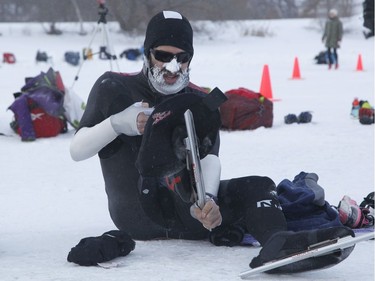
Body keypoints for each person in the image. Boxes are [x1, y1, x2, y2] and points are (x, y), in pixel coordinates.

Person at [68, 10, 353, 271]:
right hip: (136, 217)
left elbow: (209, 159)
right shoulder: (113, 87)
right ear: (147, 53)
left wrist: (208, 201)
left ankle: (279, 245)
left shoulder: (199, 100)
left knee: (260, 186)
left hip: (188, 214)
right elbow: (77, 150)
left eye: (182, 58)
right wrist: (119, 122)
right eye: (163, 56)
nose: (172, 67)